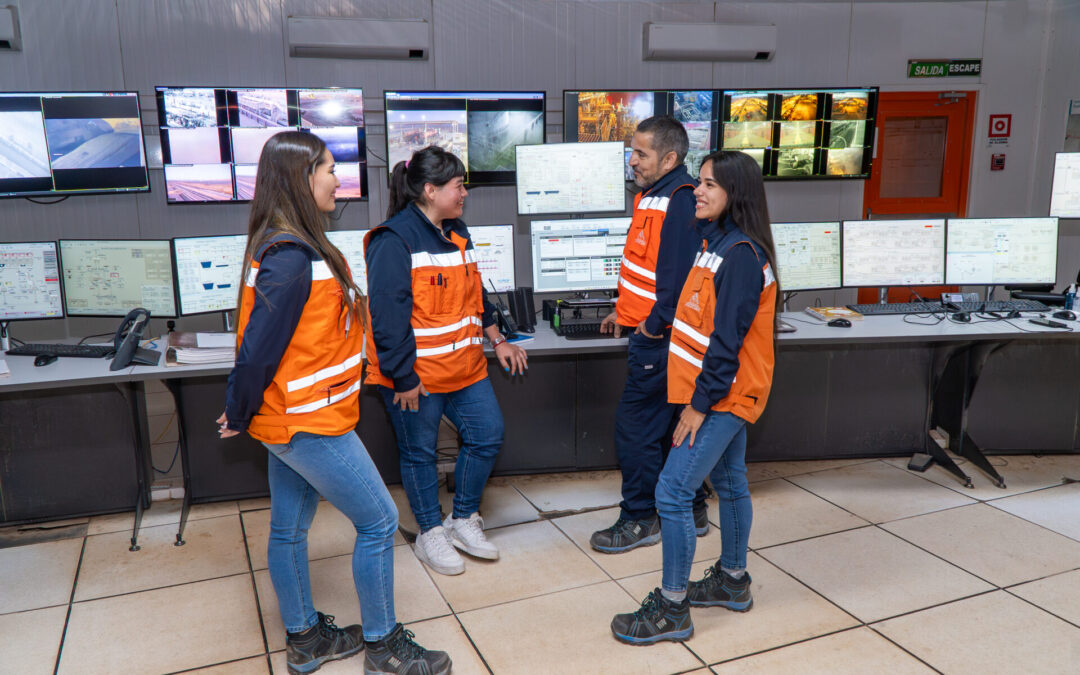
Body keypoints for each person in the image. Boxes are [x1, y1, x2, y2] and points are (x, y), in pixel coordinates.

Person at [219, 131, 450, 675]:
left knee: (289, 527)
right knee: (379, 520)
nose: (337, 178)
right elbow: (257, 351)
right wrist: (239, 408)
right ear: (301, 179)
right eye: (327, 169)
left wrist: (247, 409)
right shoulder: (291, 257)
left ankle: (304, 638)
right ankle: (383, 647)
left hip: (297, 416)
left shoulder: (294, 244)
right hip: (309, 421)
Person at [611, 150, 780, 644]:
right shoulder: (714, 242)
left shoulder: (743, 256)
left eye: (708, 184)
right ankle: (732, 580)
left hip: (721, 398)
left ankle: (672, 607)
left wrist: (698, 406)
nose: (698, 192)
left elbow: (726, 346)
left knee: (671, 491)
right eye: (700, 182)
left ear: (736, 194)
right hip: (709, 392)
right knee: (729, 486)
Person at [365, 145, 528, 576]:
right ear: (429, 190)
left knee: (487, 434)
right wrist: (402, 379)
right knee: (418, 453)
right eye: (458, 186)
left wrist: (498, 339)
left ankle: (462, 519)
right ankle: (429, 532)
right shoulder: (393, 240)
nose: (464, 194)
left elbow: (477, 297)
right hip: (414, 377)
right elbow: (386, 319)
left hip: (465, 368)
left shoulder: (458, 232)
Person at [591, 115, 711, 554]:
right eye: (633, 151)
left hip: (660, 341)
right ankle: (692, 506)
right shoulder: (654, 195)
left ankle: (641, 518)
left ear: (670, 158)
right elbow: (646, 270)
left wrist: (651, 325)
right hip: (651, 331)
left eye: (641, 153)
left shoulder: (678, 198)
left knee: (636, 428)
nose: (633, 160)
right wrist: (623, 313)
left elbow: (677, 282)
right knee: (667, 427)